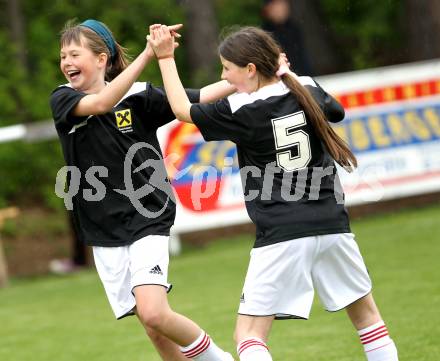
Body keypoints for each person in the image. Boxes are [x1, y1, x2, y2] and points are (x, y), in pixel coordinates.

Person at [148, 25, 399, 361]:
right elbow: (336, 111)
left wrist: (165, 58)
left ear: (250, 69)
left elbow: (181, 109)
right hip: (332, 223)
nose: (224, 75)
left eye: (227, 68)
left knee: (249, 335)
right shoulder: (305, 86)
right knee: (368, 320)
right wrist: (278, 71)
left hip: (282, 230)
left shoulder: (242, 109)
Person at [50, 19, 236, 361]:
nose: (66, 62)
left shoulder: (139, 97)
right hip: (103, 227)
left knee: (153, 312)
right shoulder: (64, 98)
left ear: (101, 58)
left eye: (74, 54)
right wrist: (149, 54)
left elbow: (194, 100)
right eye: (63, 56)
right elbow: (103, 102)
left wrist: (239, 81)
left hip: (147, 213)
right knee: (152, 324)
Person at [262, 0, 313, 75]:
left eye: (283, 5)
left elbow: (302, 57)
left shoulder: (293, 28)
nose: (281, 9)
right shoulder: (265, 34)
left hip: (300, 74)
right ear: (268, 8)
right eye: (277, 6)